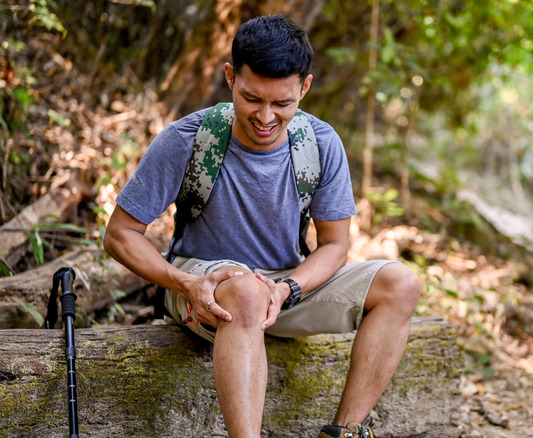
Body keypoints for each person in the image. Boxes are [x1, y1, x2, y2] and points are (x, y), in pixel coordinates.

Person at [104, 14, 420, 438]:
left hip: (281, 291)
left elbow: (334, 246)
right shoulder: (189, 138)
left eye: (283, 103)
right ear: (231, 78)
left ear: (304, 88)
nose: (266, 116)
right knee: (247, 292)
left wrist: (287, 288)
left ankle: (345, 432)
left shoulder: (320, 144)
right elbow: (120, 234)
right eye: (252, 98)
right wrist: (183, 283)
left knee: (400, 283)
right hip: (205, 289)